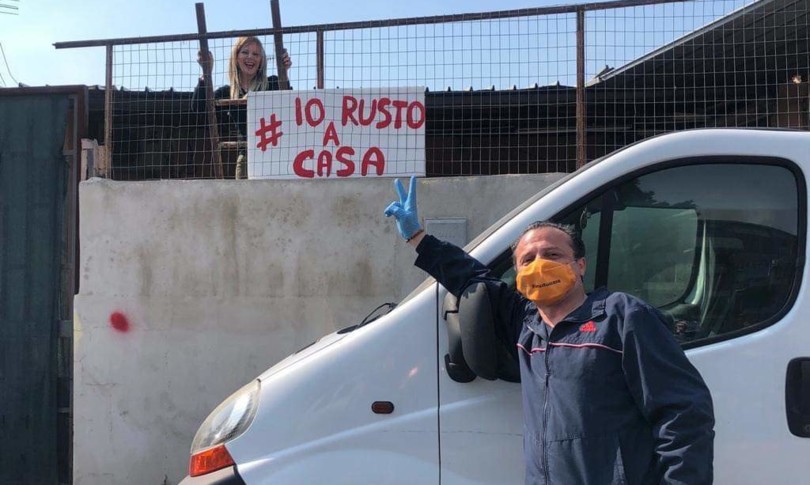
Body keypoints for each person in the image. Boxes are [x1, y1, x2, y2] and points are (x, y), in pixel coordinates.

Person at [384, 176, 715, 485]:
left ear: (580, 265)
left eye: (553, 254)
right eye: (527, 260)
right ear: (518, 274)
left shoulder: (623, 317)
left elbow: (684, 413)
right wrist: (418, 238)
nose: (539, 265)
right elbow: (471, 277)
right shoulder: (527, 324)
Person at [192, 36, 292, 178]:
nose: (250, 57)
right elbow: (200, 110)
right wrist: (205, 73)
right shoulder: (227, 92)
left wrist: (284, 72)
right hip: (247, 158)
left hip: (277, 155)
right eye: (245, 52)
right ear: (236, 57)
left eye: (256, 54)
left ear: (261, 60)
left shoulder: (273, 84)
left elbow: (289, 104)